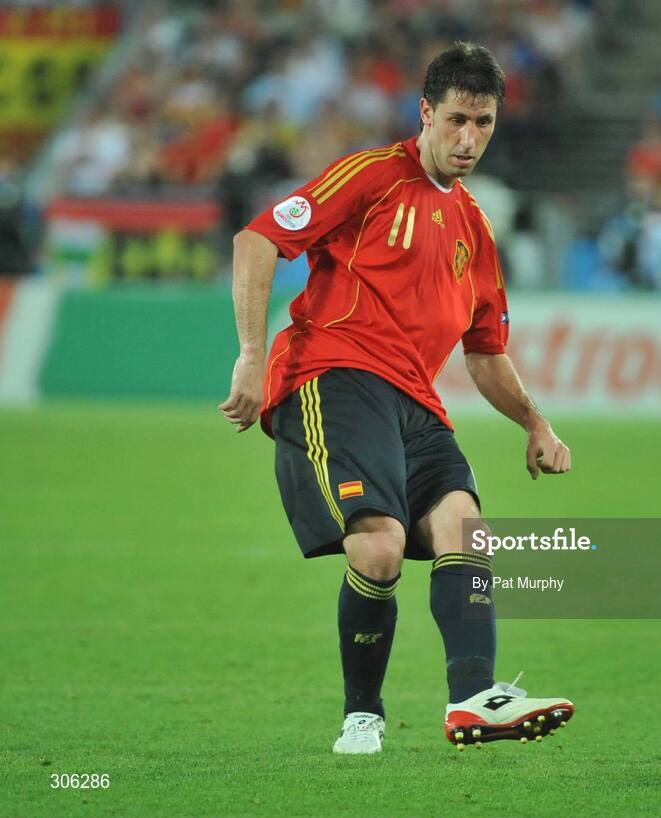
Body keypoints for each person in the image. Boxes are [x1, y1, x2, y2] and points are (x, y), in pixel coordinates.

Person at [218, 42, 574, 755]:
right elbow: (258, 240)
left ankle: (474, 699)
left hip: (415, 401)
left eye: (484, 123)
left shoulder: (474, 227)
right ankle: (363, 715)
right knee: (378, 550)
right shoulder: (374, 175)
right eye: (456, 120)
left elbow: (484, 352)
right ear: (425, 114)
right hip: (335, 373)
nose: (469, 138)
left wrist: (535, 420)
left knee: (463, 527)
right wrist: (253, 357)